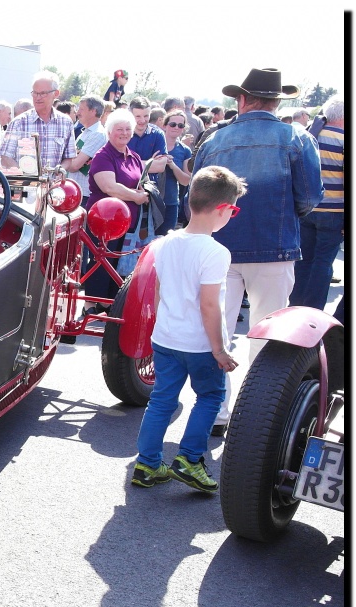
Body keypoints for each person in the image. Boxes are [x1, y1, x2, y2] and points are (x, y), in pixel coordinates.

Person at [192, 68, 323, 436]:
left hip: (220, 247)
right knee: (268, 335)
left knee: (216, 330)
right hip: (274, 248)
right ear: (276, 102)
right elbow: (311, 198)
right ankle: (257, 412)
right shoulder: (296, 137)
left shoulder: (215, 139)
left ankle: (216, 410)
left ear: (242, 100)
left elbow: (196, 197)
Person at [131, 166, 244, 492]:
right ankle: (190, 460)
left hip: (166, 338)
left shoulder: (165, 243)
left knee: (161, 401)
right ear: (222, 209)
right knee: (210, 397)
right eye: (233, 210)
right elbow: (210, 305)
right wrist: (220, 349)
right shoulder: (215, 252)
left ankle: (148, 464)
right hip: (199, 344)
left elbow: (159, 291)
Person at [85, 108, 161, 302]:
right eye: (119, 129)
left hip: (128, 223)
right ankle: (93, 303)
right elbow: (109, 187)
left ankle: (113, 302)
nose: (124, 133)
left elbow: (140, 181)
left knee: (120, 262)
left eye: (128, 129)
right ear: (109, 132)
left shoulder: (134, 156)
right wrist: (135, 197)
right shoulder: (103, 156)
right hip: (105, 222)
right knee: (101, 262)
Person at [290, 94, 344, 311]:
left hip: (307, 208)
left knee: (303, 262)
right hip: (334, 212)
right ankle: (312, 313)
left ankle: (295, 307)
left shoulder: (306, 137)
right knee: (323, 263)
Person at [0, 71, 77, 172]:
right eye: (35, 93)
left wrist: (59, 170)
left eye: (43, 93)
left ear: (56, 94)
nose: (38, 97)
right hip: (25, 185)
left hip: (52, 185)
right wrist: (25, 176)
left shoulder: (66, 123)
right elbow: (5, 157)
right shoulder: (18, 123)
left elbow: (68, 157)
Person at [64, 95, 107, 204]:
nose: (78, 113)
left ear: (93, 111)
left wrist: (63, 161)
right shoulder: (86, 132)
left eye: (81, 109)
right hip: (76, 192)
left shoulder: (98, 134)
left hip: (85, 195)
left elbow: (74, 166)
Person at [156, 110, 192, 235]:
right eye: (173, 124)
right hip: (150, 201)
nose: (176, 128)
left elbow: (186, 180)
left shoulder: (185, 150)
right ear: (165, 125)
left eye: (180, 125)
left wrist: (172, 165)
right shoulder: (154, 144)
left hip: (170, 202)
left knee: (165, 240)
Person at [126, 96, 168, 180]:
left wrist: (128, 164)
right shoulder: (122, 133)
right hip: (125, 186)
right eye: (138, 116)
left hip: (149, 187)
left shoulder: (158, 134)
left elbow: (160, 166)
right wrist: (150, 163)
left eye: (146, 116)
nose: (142, 120)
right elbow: (117, 164)